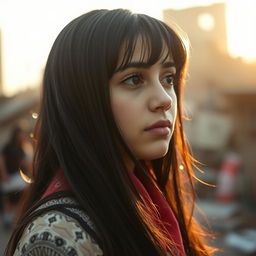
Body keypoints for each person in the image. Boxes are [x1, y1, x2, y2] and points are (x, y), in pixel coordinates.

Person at [5, 9, 217, 255]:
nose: (164, 99)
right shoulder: (57, 236)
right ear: (81, 99)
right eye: (134, 79)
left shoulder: (145, 203)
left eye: (168, 78)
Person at [0, 126, 32, 229]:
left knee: (25, 191)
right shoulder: (8, 146)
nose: (22, 136)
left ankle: (18, 216)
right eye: (21, 133)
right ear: (16, 134)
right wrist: (4, 173)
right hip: (8, 176)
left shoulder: (21, 148)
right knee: (8, 198)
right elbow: (2, 160)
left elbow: (24, 163)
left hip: (17, 176)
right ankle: (8, 219)